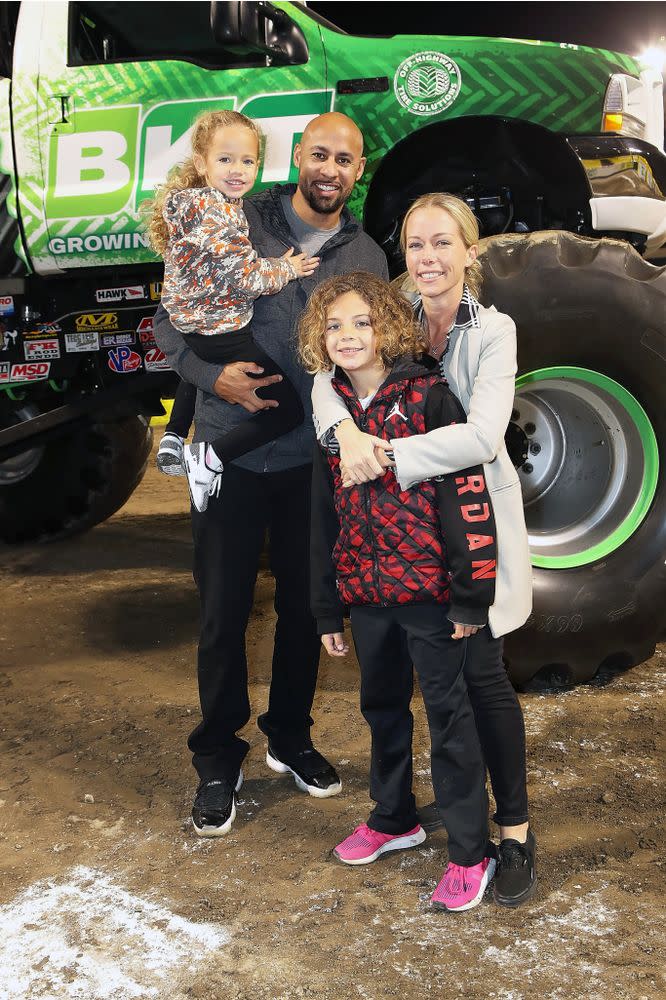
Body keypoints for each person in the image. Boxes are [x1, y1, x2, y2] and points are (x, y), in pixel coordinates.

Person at [152, 112, 389, 837]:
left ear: (356, 170)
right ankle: (218, 756)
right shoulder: (237, 212)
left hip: (308, 463)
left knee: (302, 612)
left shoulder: (366, 256)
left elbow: (371, 358)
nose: (330, 168)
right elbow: (168, 318)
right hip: (227, 452)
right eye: (320, 153)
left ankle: (289, 735)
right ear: (298, 157)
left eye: (345, 159)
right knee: (223, 614)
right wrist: (206, 378)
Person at [310, 193, 537, 907]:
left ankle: (513, 834)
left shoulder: (492, 330)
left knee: (479, 686)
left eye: (443, 243)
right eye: (415, 244)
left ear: (472, 250)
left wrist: (375, 450)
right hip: (394, 548)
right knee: (408, 696)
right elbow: (329, 374)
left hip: (466, 528)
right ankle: (401, 816)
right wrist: (341, 433)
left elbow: (479, 436)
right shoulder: (387, 309)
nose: (428, 258)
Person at [146, 110, 320, 511]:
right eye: (225, 160)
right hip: (222, 330)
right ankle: (208, 457)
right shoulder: (220, 213)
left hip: (198, 326)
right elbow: (246, 278)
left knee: (199, 370)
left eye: (247, 160)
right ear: (201, 164)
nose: (238, 170)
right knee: (289, 410)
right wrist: (288, 268)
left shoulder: (194, 204)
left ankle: (174, 435)